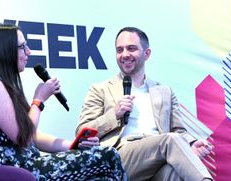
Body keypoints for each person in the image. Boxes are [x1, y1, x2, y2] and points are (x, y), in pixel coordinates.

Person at [0, 23, 127, 181]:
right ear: (4, 51)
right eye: (22, 47)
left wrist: (74, 145)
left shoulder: (1, 83)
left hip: (26, 163)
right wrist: (39, 100)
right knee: (108, 156)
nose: (28, 51)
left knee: (99, 172)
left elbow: (33, 136)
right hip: (14, 168)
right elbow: (23, 138)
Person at [76, 27, 213, 181]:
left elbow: (178, 130)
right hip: (121, 158)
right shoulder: (100, 89)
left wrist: (192, 143)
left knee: (175, 171)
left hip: (159, 157)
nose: (125, 54)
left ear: (147, 54)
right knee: (169, 140)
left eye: (131, 48)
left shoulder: (164, 91)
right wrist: (114, 114)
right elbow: (82, 132)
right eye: (119, 50)